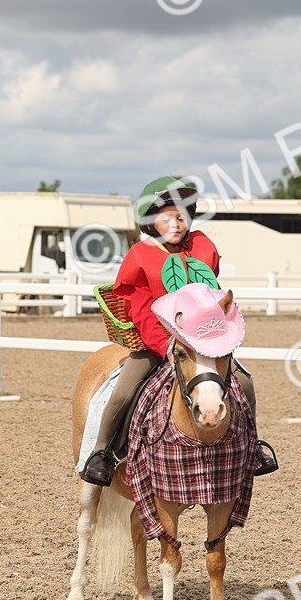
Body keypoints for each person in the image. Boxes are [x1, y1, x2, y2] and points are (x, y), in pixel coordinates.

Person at [80, 175, 259, 486]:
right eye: (167, 218)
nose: (176, 224)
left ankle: (253, 447)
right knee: (124, 390)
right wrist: (166, 346)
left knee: (244, 381)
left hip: (202, 342)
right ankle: (102, 454)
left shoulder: (202, 246)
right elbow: (141, 311)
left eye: (181, 216)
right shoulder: (140, 256)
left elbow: (210, 296)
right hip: (157, 343)